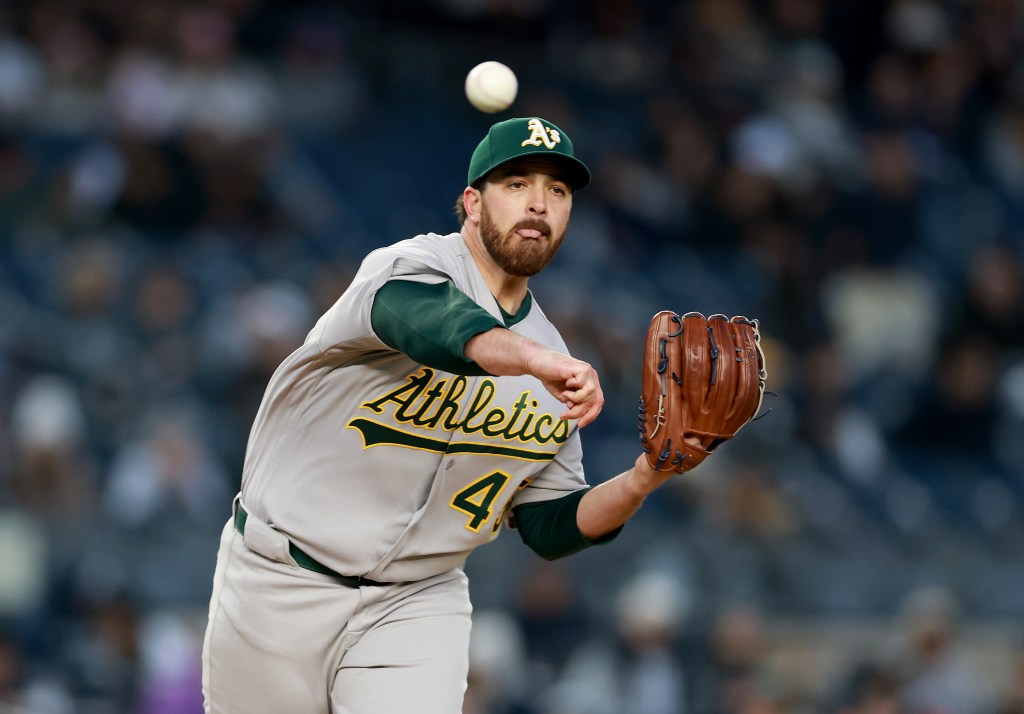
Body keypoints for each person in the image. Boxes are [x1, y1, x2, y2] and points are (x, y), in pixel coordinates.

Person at [201, 116, 685, 713]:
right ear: (472, 203)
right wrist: (533, 360)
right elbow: (434, 325)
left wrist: (646, 476)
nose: (538, 203)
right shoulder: (407, 268)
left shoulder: (550, 357)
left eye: (557, 192)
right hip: (281, 577)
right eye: (516, 184)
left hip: (416, 601)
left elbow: (549, 524)